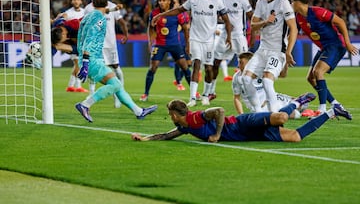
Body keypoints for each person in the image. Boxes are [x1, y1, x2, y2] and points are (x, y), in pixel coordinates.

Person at [75, 0, 157, 122]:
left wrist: (115, 8)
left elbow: (83, 34)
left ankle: (139, 111)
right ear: (106, 3)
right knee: (116, 84)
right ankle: (85, 104)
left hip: (89, 58)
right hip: (92, 59)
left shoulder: (90, 15)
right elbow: (90, 37)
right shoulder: (99, 18)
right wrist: (85, 62)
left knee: (115, 84)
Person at [131, 93, 351, 143]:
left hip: (243, 122)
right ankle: (332, 112)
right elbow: (167, 136)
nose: (170, 119)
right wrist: (146, 138)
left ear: (175, 115)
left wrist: (217, 134)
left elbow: (219, 111)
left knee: (282, 117)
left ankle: (297, 101)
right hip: (248, 136)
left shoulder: (197, 116)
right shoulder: (186, 127)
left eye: (170, 115)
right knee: (295, 137)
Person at [151, 0, 232, 107]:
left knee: (209, 68)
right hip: (195, 38)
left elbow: (227, 20)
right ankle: (193, 98)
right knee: (196, 65)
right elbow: (179, 10)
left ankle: (206, 95)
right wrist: (161, 15)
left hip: (209, 41)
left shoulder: (217, 1)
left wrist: (228, 35)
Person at [288, 0, 358, 119]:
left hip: (336, 45)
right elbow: (293, 32)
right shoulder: (298, 18)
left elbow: (341, 22)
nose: (290, 5)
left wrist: (348, 43)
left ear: (298, 2)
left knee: (318, 72)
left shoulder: (317, 12)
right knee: (310, 78)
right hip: (324, 48)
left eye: (292, 2)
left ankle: (321, 110)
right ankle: (336, 105)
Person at [243, 0, 298, 113]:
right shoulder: (261, 2)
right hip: (262, 50)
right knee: (245, 79)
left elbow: (293, 28)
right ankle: (258, 113)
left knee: (267, 81)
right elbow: (253, 25)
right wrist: (265, 21)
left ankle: (274, 116)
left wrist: (288, 52)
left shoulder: (283, 3)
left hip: (277, 50)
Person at [139, 0, 191, 101]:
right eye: (160, 0)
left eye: (164, 0)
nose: (161, 2)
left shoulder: (177, 13)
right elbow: (151, 28)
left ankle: (194, 93)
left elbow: (186, 29)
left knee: (185, 66)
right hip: (159, 44)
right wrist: (150, 42)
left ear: (169, 1)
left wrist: (187, 44)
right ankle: (146, 94)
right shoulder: (154, 13)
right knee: (153, 68)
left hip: (174, 44)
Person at [210, 0, 254, 101]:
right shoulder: (219, 0)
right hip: (224, 35)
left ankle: (249, 90)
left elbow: (251, 16)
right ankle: (211, 91)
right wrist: (225, 21)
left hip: (239, 36)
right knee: (216, 62)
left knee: (246, 64)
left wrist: (254, 34)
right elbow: (214, 17)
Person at [84, 0, 129, 108]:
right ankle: (91, 93)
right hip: (96, 44)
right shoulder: (89, 8)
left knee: (115, 67)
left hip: (110, 44)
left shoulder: (111, 5)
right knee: (94, 69)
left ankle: (119, 94)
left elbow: (121, 21)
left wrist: (126, 33)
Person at [233, 52, 303, 118]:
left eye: (241, 63)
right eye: (239, 62)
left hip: (271, 97)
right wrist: (241, 114)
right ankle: (302, 112)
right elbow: (237, 98)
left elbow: (283, 75)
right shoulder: (237, 77)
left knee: (303, 104)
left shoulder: (260, 71)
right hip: (261, 107)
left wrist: (286, 64)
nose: (238, 65)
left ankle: (307, 110)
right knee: (295, 114)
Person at [53, 0, 88, 93]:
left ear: (81, 1)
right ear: (72, 1)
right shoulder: (68, 12)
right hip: (70, 41)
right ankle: (77, 86)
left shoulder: (85, 11)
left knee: (77, 65)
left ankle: (71, 86)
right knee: (78, 63)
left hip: (80, 40)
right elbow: (62, 20)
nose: (76, 1)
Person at [172, 0, 192, 92]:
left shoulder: (184, 14)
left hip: (185, 40)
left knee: (188, 63)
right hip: (177, 41)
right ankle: (179, 83)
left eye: (176, 3)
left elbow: (188, 26)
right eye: (173, 3)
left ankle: (179, 80)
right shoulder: (171, 15)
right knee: (178, 63)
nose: (175, 5)